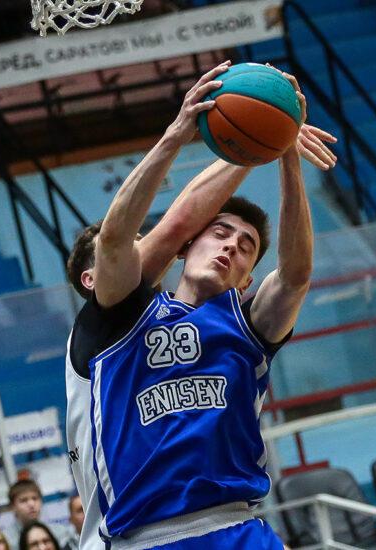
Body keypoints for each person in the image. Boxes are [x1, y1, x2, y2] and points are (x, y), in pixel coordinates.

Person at [64, 61, 335, 549]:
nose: (231, 245)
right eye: (220, 232)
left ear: (248, 279)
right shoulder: (118, 318)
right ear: (187, 248)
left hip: (239, 528)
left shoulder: (246, 327)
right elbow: (123, 237)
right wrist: (177, 135)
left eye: (246, 246)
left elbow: (295, 276)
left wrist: (285, 151)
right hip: (144, 536)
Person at [4, 479, 45, 550]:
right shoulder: (5, 541)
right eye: (24, 500)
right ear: (12, 507)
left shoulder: (59, 533)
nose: (31, 504)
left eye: (35, 498)